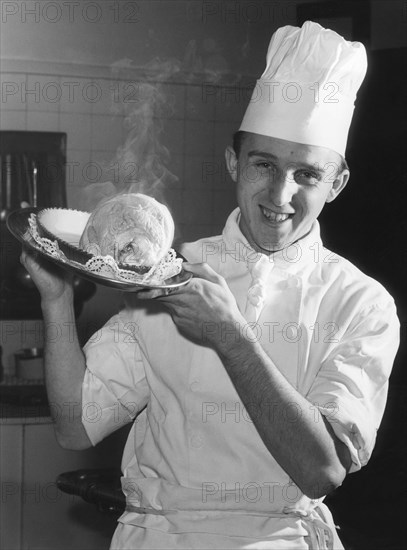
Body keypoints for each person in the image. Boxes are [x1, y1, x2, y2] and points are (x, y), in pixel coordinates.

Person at [22, 22, 399, 550]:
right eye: (263, 164)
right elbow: (76, 428)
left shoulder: (361, 303)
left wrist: (231, 335)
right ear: (233, 162)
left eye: (307, 175)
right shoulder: (169, 273)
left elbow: (321, 471)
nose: (280, 193)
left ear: (335, 183)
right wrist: (57, 302)